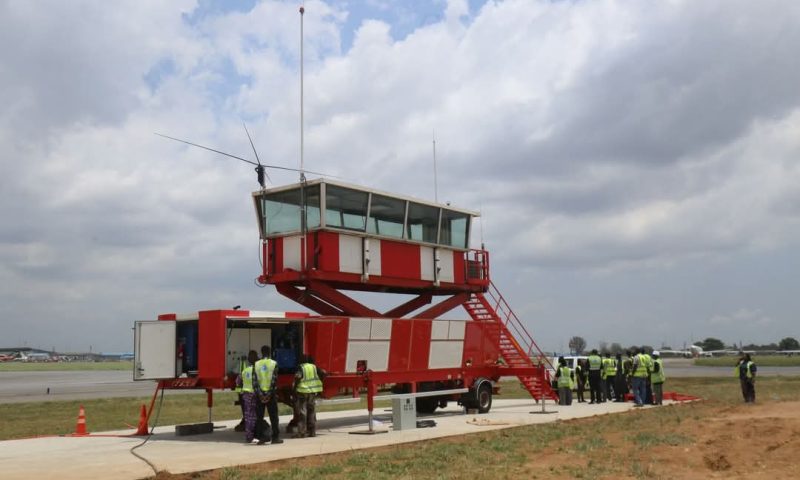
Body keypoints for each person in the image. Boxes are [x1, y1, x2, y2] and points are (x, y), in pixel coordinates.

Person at [255, 345, 283, 444]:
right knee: (274, 417)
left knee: (259, 417)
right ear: (270, 352)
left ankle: (262, 437)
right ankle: (275, 438)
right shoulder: (273, 363)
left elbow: (255, 381)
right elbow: (274, 380)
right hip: (271, 395)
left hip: (260, 395)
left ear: (261, 352)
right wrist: (269, 394)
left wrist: (260, 394)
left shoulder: (256, 364)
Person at [236, 350, 265, 444]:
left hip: (247, 395)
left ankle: (249, 436)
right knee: (257, 415)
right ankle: (256, 434)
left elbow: (238, 382)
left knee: (248, 416)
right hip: (256, 395)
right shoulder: (259, 370)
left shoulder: (245, 371)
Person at [293, 354, 326, 438]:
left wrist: (294, 388)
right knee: (311, 411)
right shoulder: (313, 367)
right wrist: (320, 382)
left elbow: (298, 377)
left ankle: (302, 432)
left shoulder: (301, 367)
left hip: (302, 392)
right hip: (312, 392)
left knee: (302, 412)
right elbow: (323, 373)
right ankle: (312, 432)